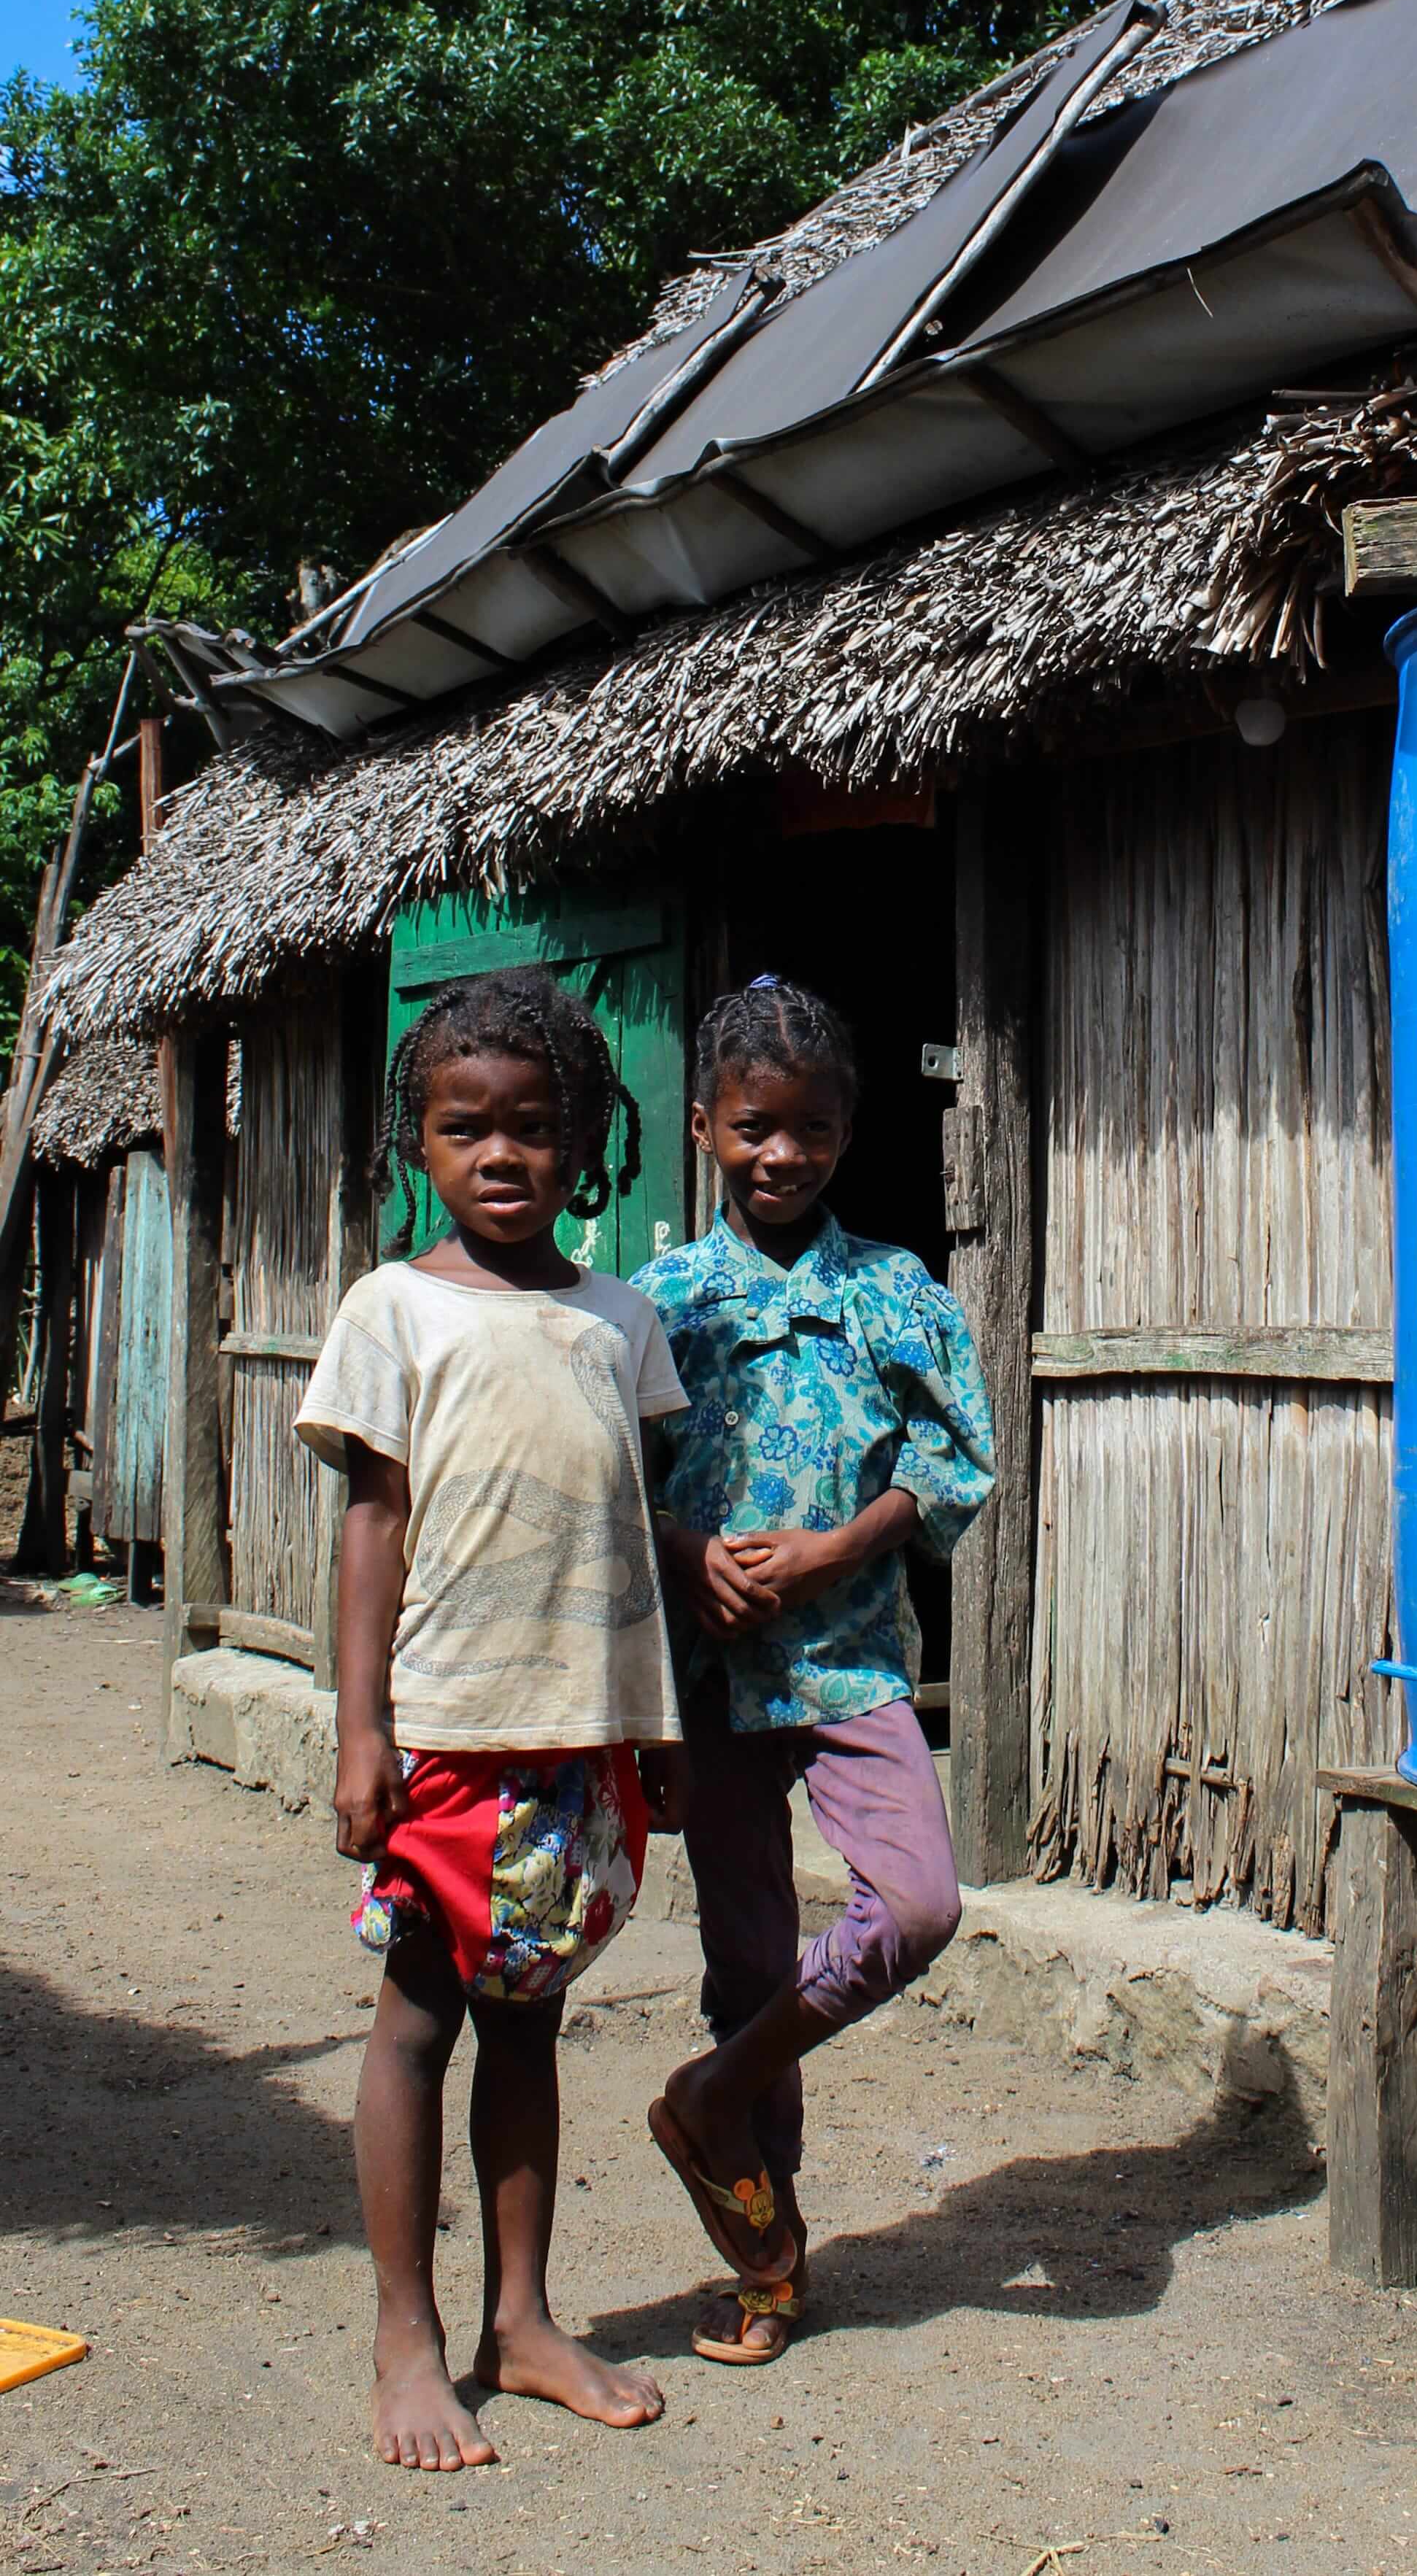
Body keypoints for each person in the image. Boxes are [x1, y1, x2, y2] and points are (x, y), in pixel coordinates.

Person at [296, 964, 690, 2475]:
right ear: (420, 1145)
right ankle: (407, 2336)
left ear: (583, 1139)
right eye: (468, 1130)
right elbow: (373, 1528)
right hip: (450, 1729)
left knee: (532, 2022)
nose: (503, 1156)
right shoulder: (392, 1309)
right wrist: (361, 1729)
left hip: (578, 1733)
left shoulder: (618, 1320)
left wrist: (652, 1728)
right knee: (416, 2024)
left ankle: (519, 2321)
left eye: (534, 1128)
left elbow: (633, 1518)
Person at [636, 974, 993, 2367]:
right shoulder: (659, 1303)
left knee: (916, 1904)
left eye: (814, 1132)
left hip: (851, 1669)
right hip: (715, 1687)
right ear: (709, 1127)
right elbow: (620, 1481)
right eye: (754, 1129)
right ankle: (769, 2266)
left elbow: (954, 1463)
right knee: (746, 1957)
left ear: (848, 1133)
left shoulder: (895, 1292)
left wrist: (840, 1546)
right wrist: (692, 1557)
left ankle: (713, 2091)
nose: (783, 1155)